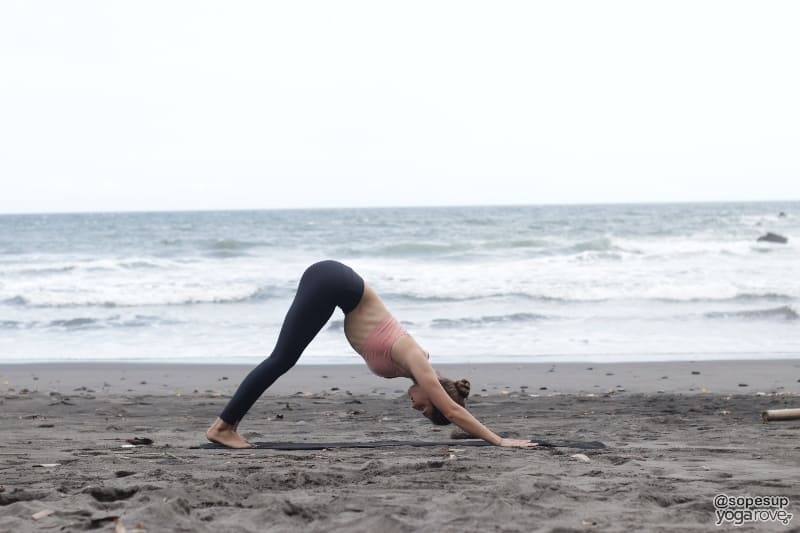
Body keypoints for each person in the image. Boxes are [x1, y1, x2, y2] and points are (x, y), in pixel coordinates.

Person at [206, 260, 535, 449]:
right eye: (424, 408)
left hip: (334, 286)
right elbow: (451, 409)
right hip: (335, 281)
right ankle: (223, 428)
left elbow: (448, 410)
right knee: (282, 358)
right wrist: (499, 440)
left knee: (284, 358)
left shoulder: (413, 366)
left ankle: (226, 426)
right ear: (434, 394)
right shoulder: (418, 361)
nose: (416, 407)